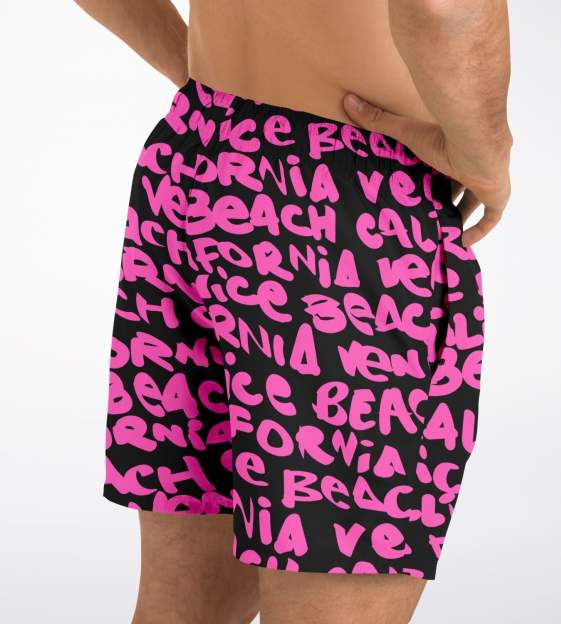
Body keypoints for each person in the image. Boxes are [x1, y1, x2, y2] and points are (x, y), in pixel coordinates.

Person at [74, 1, 512, 622]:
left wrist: (200, 74)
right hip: (346, 209)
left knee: (181, 609)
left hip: (197, 152)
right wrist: (483, 149)